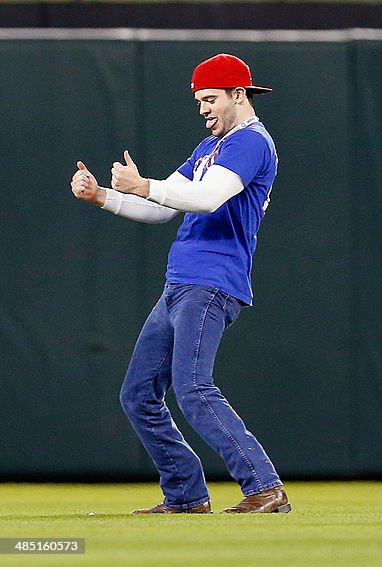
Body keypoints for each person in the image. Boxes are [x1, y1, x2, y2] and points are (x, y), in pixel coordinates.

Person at [70, 53, 290, 514]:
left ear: (238, 95)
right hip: (182, 283)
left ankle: (266, 488)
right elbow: (165, 207)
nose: (203, 109)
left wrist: (144, 185)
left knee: (193, 387)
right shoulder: (211, 146)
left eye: (210, 99)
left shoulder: (250, 143)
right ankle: (187, 496)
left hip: (212, 282)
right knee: (138, 395)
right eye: (198, 101)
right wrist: (103, 197)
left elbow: (207, 199)